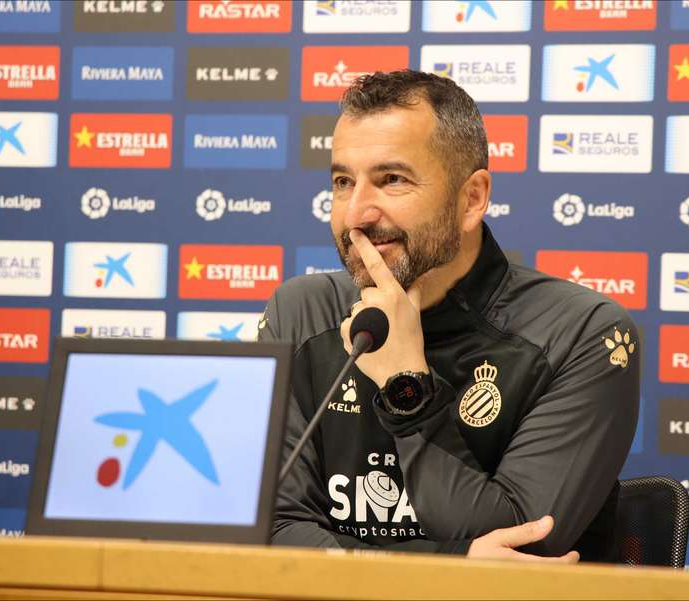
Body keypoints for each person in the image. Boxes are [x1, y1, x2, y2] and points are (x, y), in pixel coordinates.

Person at [258, 70, 639, 562]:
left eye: (391, 180)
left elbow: (523, 546)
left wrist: (406, 388)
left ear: (472, 199)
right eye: (343, 181)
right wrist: (448, 562)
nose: (356, 214)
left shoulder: (583, 333)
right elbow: (269, 528)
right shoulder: (301, 312)